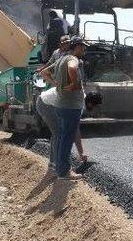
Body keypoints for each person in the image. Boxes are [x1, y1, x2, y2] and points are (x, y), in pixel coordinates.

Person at [41, 36, 90, 180]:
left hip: (61, 105)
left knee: (63, 137)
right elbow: (72, 69)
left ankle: (58, 169)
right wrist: (74, 84)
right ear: (76, 47)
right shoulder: (73, 60)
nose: (84, 49)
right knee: (67, 140)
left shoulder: (61, 59)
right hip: (70, 106)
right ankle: (64, 172)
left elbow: (43, 72)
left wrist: (56, 84)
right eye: (82, 47)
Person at [35, 88, 102, 175]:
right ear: (90, 104)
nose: (95, 110)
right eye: (95, 107)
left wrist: (81, 152)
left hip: (48, 103)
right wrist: (81, 153)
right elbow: (76, 130)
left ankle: (53, 164)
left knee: (58, 133)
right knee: (59, 133)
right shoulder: (77, 104)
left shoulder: (79, 100)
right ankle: (59, 168)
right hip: (45, 104)